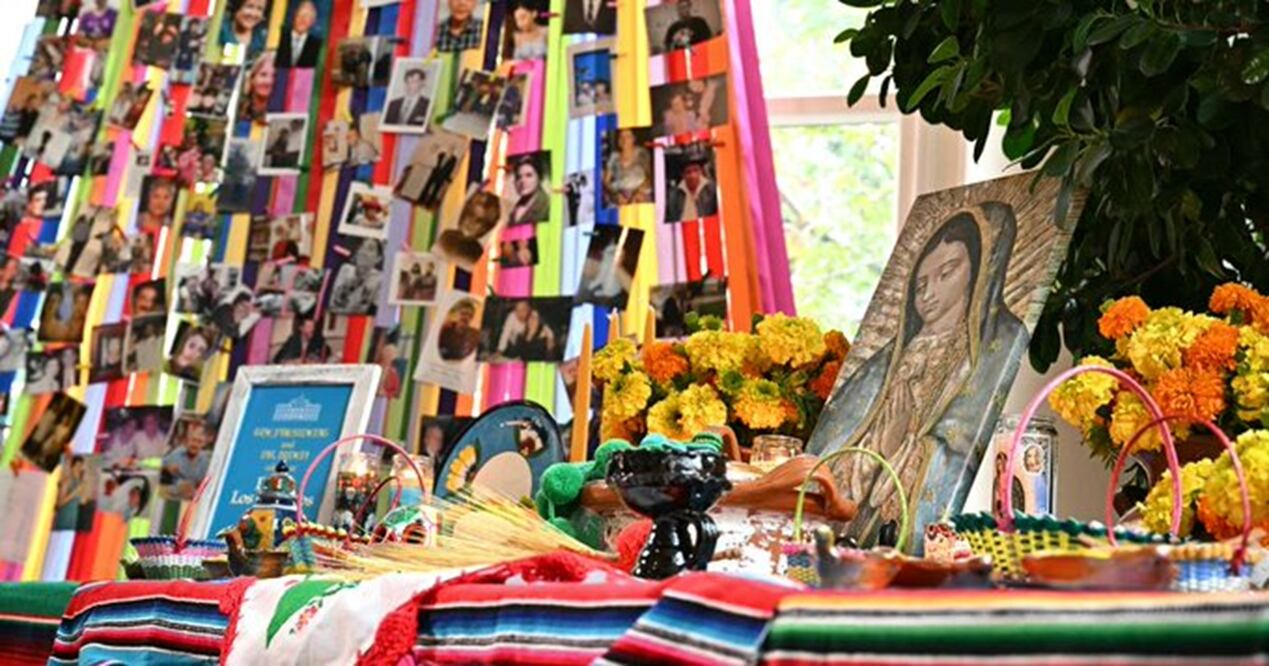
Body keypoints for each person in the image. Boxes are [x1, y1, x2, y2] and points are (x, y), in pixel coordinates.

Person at [808, 203, 1028, 549]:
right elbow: (837, 442)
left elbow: (956, 451)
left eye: (948, 272)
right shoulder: (887, 360)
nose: (927, 292)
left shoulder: (997, 344)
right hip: (847, 522)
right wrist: (877, 448)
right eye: (920, 282)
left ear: (981, 270)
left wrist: (907, 447)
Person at [436, 191, 500, 266]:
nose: (470, 222)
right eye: (470, 214)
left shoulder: (477, 255)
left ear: (486, 228)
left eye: (479, 221)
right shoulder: (445, 237)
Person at [330, 238, 384, 315]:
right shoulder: (345, 269)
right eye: (362, 247)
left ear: (378, 258)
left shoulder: (379, 279)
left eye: (370, 249)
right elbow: (333, 303)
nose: (363, 252)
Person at [162, 419, 213, 500]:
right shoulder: (177, 453)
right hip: (176, 495)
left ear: (203, 444)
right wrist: (168, 467)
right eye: (193, 440)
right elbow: (162, 463)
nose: (195, 444)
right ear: (186, 441)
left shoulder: (207, 461)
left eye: (199, 442)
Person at [603, 129, 653, 206]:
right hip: (619, 195)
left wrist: (637, 193)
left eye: (627, 136)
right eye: (621, 137)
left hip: (640, 193)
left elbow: (649, 177)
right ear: (618, 141)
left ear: (633, 139)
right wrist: (615, 195)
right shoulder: (614, 157)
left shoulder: (642, 154)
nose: (624, 140)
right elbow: (606, 181)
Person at [507, 156, 550, 226]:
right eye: (518, 177)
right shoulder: (514, 209)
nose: (522, 181)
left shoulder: (547, 208)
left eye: (529, 175)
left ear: (539, 178)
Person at [277, 0, 321, 69]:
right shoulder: (280, 36)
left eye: (307, 16)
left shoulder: (317, 44)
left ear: (312, 21)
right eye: (300, 15)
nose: (302, 19)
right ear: (294, 16)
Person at [238, 52, 276, 124]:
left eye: (274, 76)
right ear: (252, 78)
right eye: (263, 75)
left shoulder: (281, 112)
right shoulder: (237, 108)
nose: (269, 81)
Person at [53, 454, 87, 531]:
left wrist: (82, 491)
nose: (79, 469)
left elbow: (82, 502)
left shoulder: (79, 483)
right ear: (72, 466)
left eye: (81, 466)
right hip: (63, 520)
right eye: (77, 466)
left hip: (72, 521)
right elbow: (58, 504)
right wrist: (75, 492)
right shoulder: (67, 480)